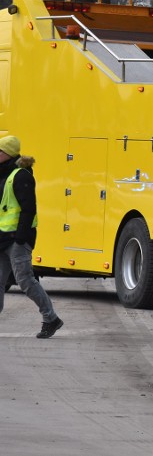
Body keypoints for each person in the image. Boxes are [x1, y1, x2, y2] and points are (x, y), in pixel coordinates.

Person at [0, 135, 63, 338]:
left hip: (17, 239)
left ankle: (51, 318)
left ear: (7, 154)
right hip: (2, 239)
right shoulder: (2, 174)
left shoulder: (21, 176)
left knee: (25, 281)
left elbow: (28, 210)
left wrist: (20, 238)